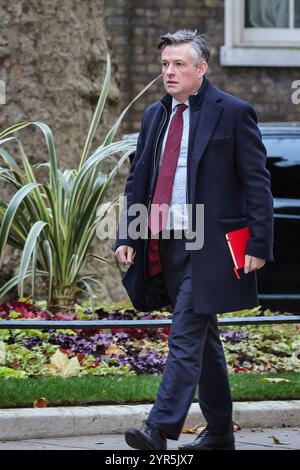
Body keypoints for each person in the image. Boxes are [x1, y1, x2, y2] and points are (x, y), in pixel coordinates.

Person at [114, 29, 274, 451]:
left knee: (186, 331)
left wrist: (258, 244)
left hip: (214, 243)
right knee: (204, 340)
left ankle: (159, 428)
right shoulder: (154, 115)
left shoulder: (234, 112)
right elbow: (139, 179)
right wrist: (128, 232)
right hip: (165, 242)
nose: (169, 72)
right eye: (165, 64)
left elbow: (257, 183)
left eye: (178, 64)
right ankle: (220, 433)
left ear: (201, 69)